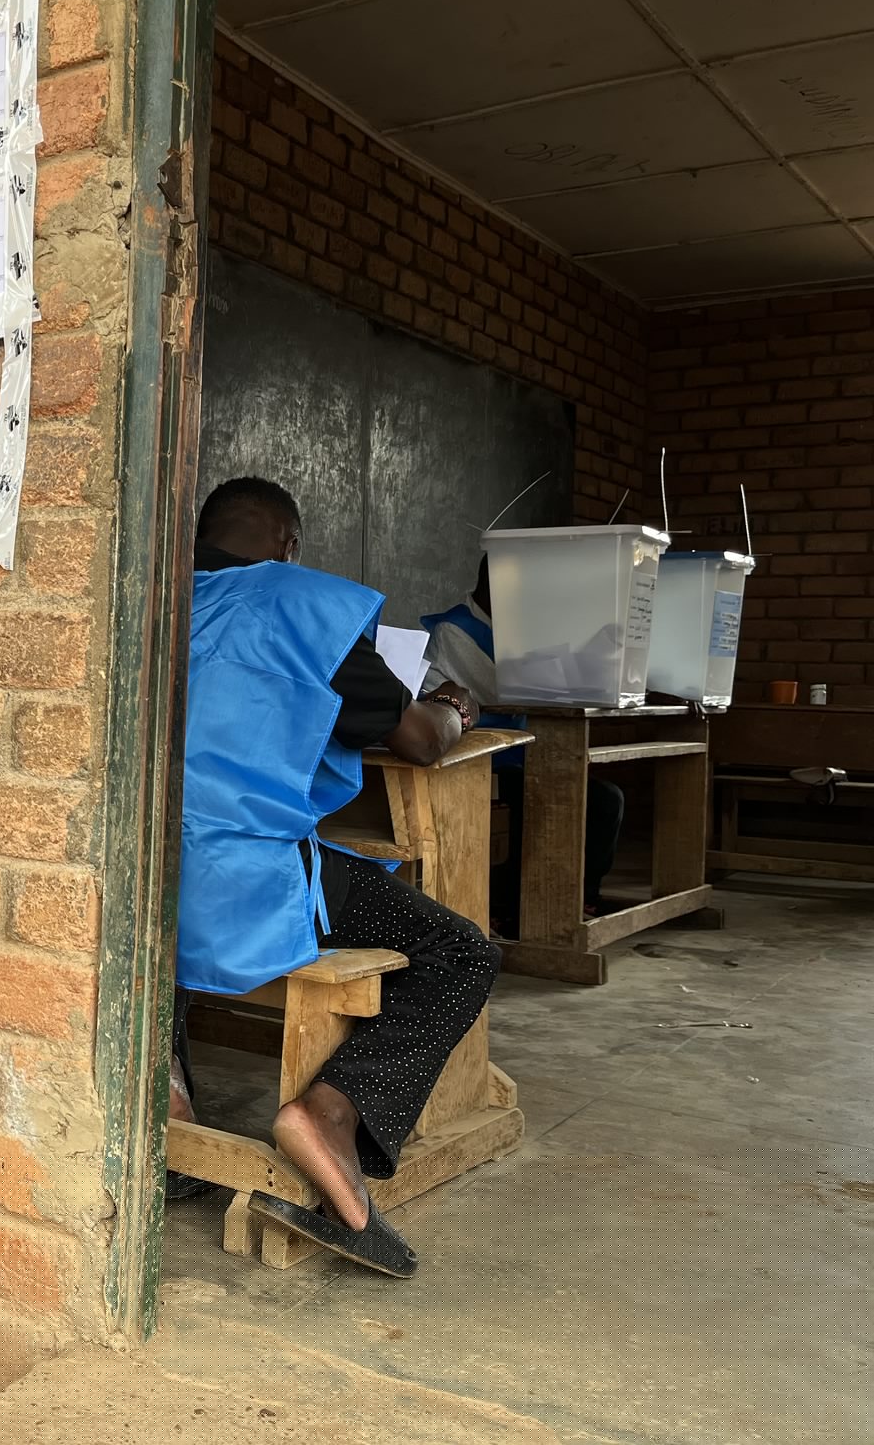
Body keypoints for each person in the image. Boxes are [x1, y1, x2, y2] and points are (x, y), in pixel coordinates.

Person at [174, 478, 496, 1277]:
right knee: (461, 952)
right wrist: (456, 704)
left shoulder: (145, 586)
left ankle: (169, 1090)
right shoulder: (297, 605)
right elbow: (419, 740)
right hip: (245, 880)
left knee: (161, 905)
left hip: (136, 861)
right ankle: (331, 1116)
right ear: (288, 544)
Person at [422, 556, 623, 929]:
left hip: (516, 754)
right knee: (546, 800)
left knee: (602, 798)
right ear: (491, 585)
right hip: (476, 757)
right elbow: (508, 688)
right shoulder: (456, 629)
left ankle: (581, 897)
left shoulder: (511, 628)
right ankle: (512, 908)